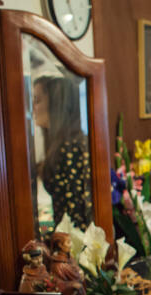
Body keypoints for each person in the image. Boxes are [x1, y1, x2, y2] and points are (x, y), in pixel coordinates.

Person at [33, 75, 92, 230]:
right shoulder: (60, 144)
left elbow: (76, 214)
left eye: (37, 100)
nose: (33, 107)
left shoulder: (70, 147)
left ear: (55, 104)